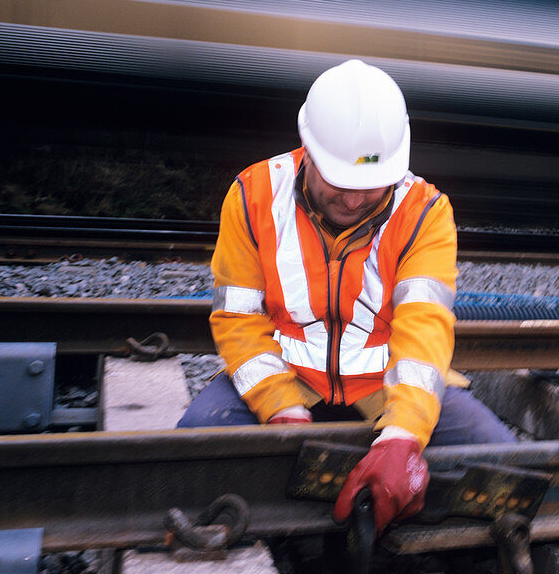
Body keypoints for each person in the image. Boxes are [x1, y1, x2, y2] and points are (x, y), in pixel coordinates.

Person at [178, 59, 516, 534]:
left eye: (369, 185)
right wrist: (278, 406)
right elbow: (238, 318)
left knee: (504, 470)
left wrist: (404, 436)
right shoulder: (253, 196)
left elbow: (424, 329)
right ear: (308, 152)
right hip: (288, 379)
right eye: (340, 181)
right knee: (186, 458)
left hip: (386, 386)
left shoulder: (426, 211)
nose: (354, 201)